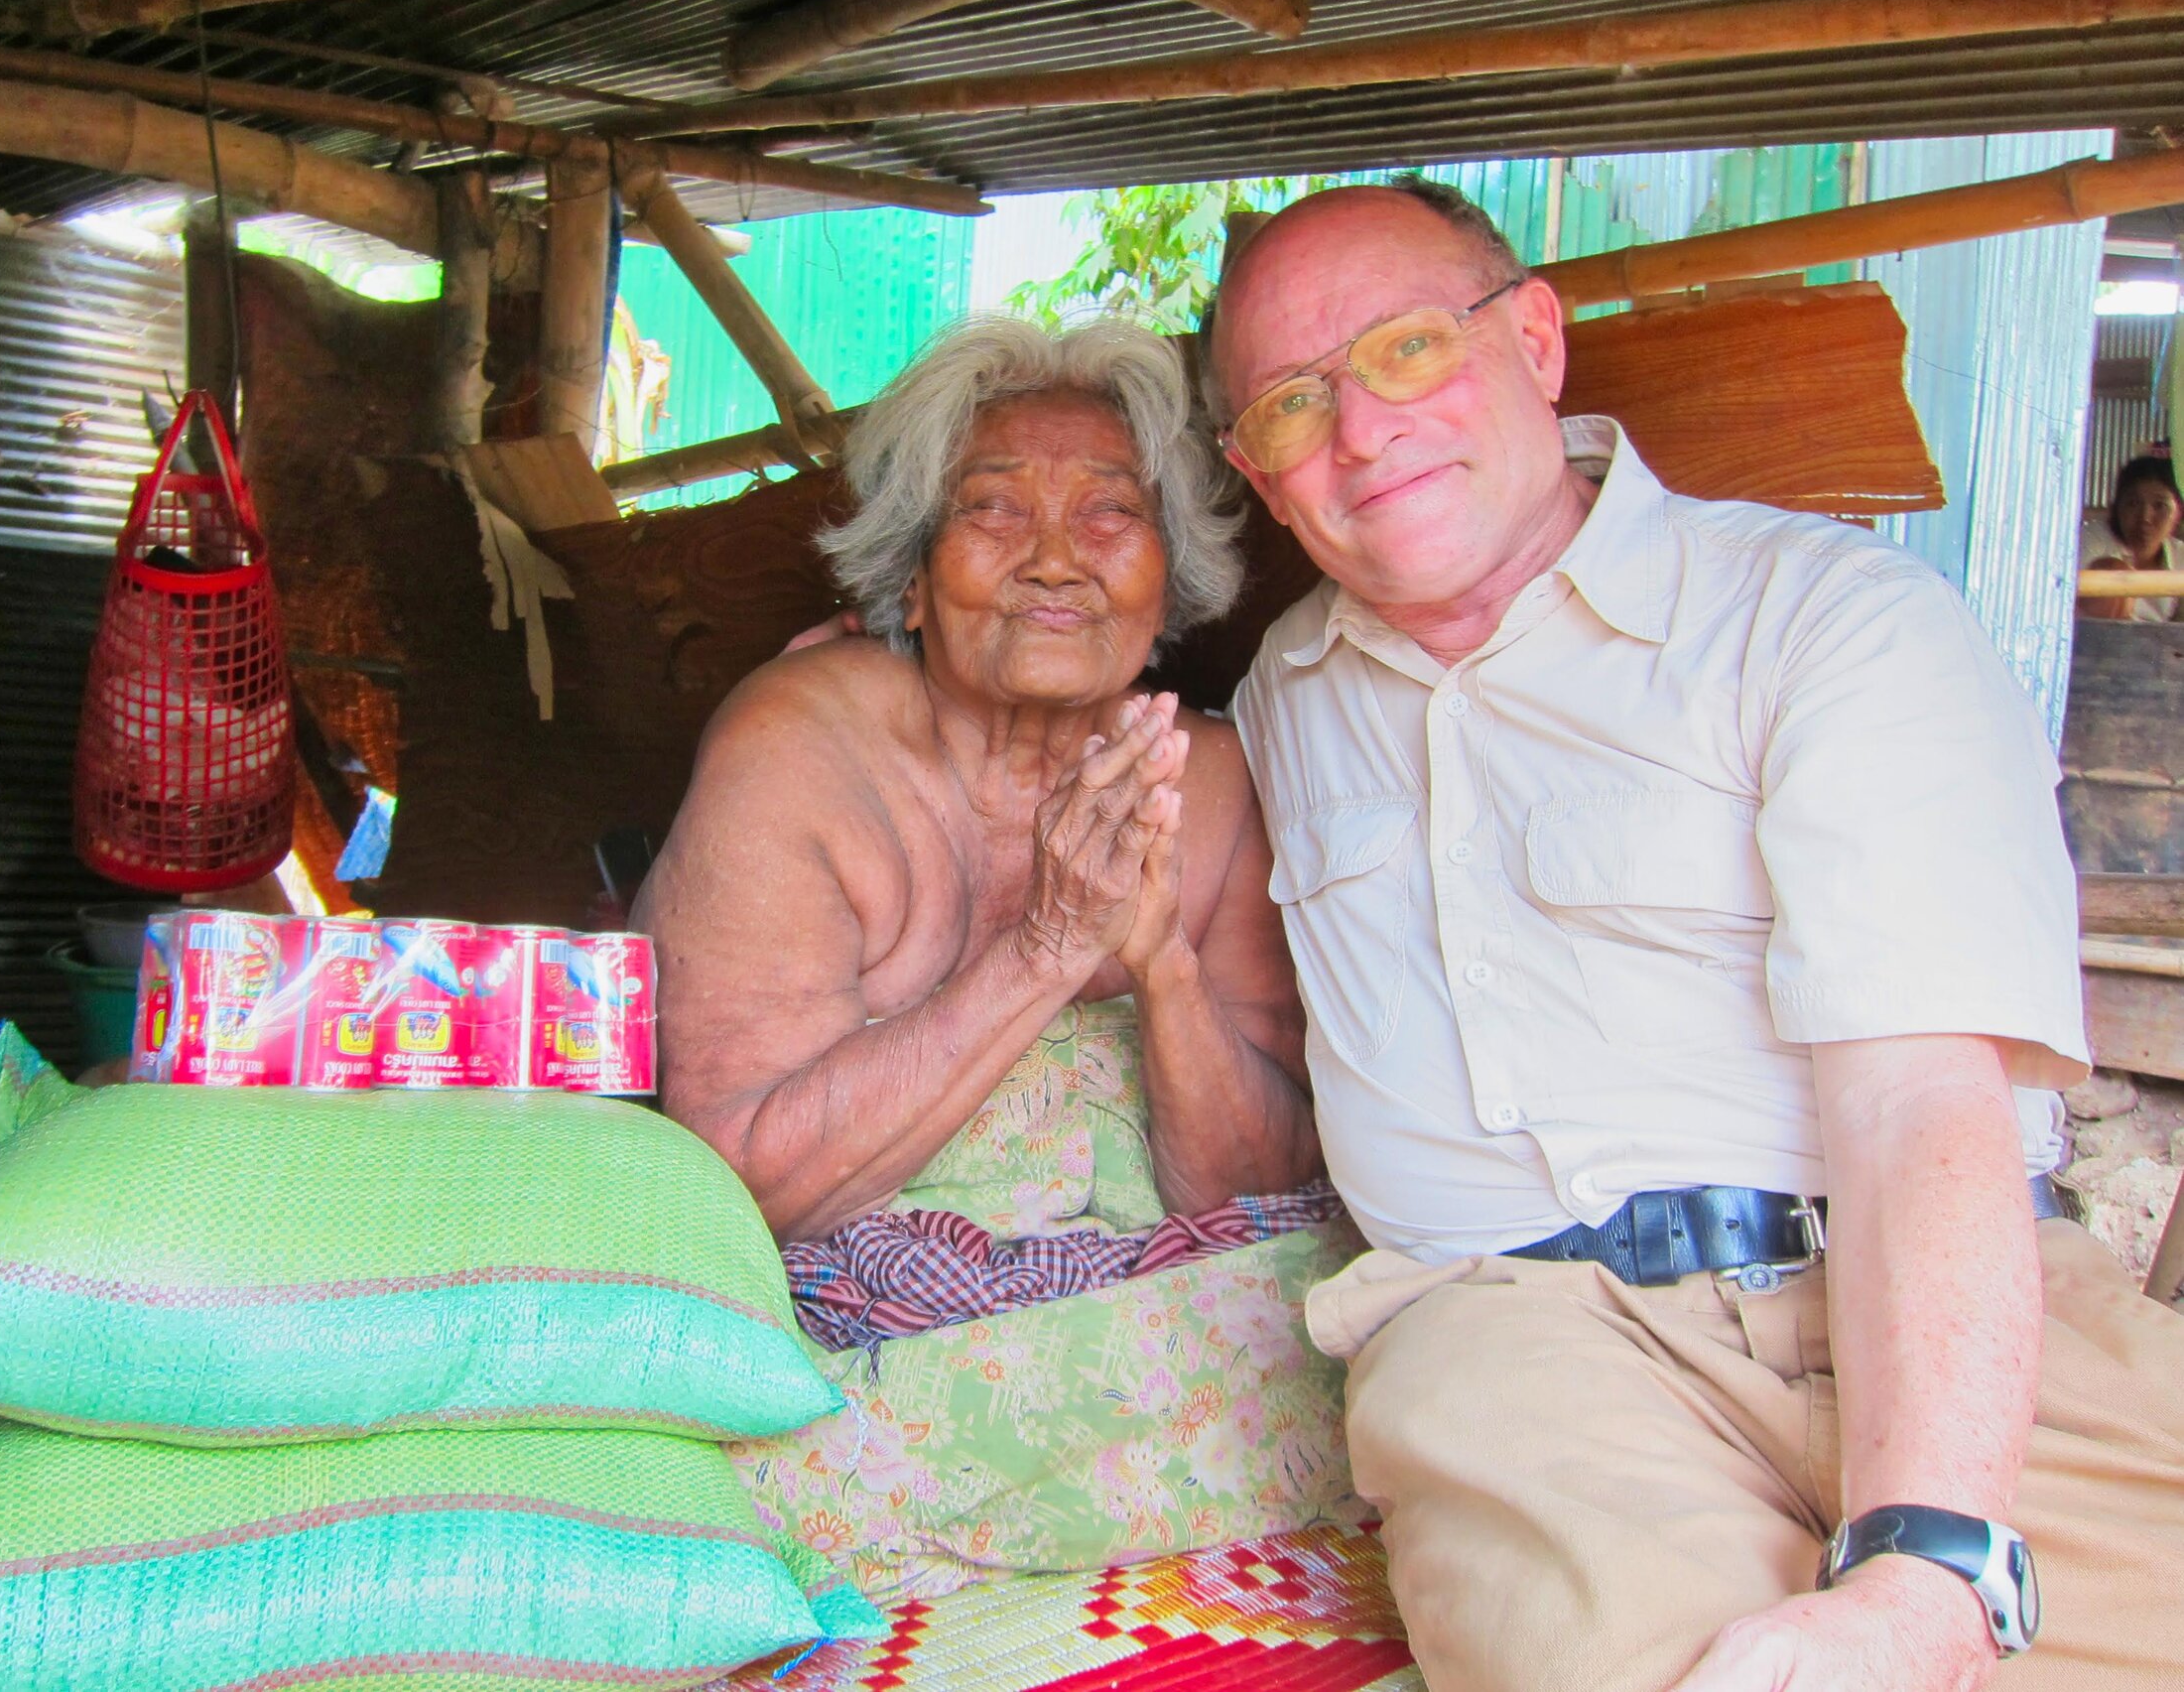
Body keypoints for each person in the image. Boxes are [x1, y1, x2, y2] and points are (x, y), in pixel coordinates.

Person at [1206, 178, 2184, 1692]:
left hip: (1943, 1291)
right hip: (1532, 1346)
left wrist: (1929, 1562)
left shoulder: (1829, 622)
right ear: (1255, 476)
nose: (1358, 428)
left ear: (1536, 340)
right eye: (1287, 405)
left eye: (1406, 349)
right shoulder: (1278, 698)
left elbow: (1925, 1100)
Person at [636, 316, 1358, 1604]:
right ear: (908, 579)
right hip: (876, 1337)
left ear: (1167, 582)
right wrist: (1047, 951)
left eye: (1107, 514)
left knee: (1362, 1313)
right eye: (993, 509)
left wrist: (1166, 976)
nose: (1052, 560)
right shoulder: (802, 748)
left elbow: (1258, 1193)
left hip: (1167, 1311)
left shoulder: (1219, 784)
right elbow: (736, 1187)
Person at [2078, 450, 2183, 622]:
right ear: (2117, 507)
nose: (2145, 518)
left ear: (2178, 513)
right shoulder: (2091, 542)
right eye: (2133, 503)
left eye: (2160, 506)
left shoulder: (2180, 556)